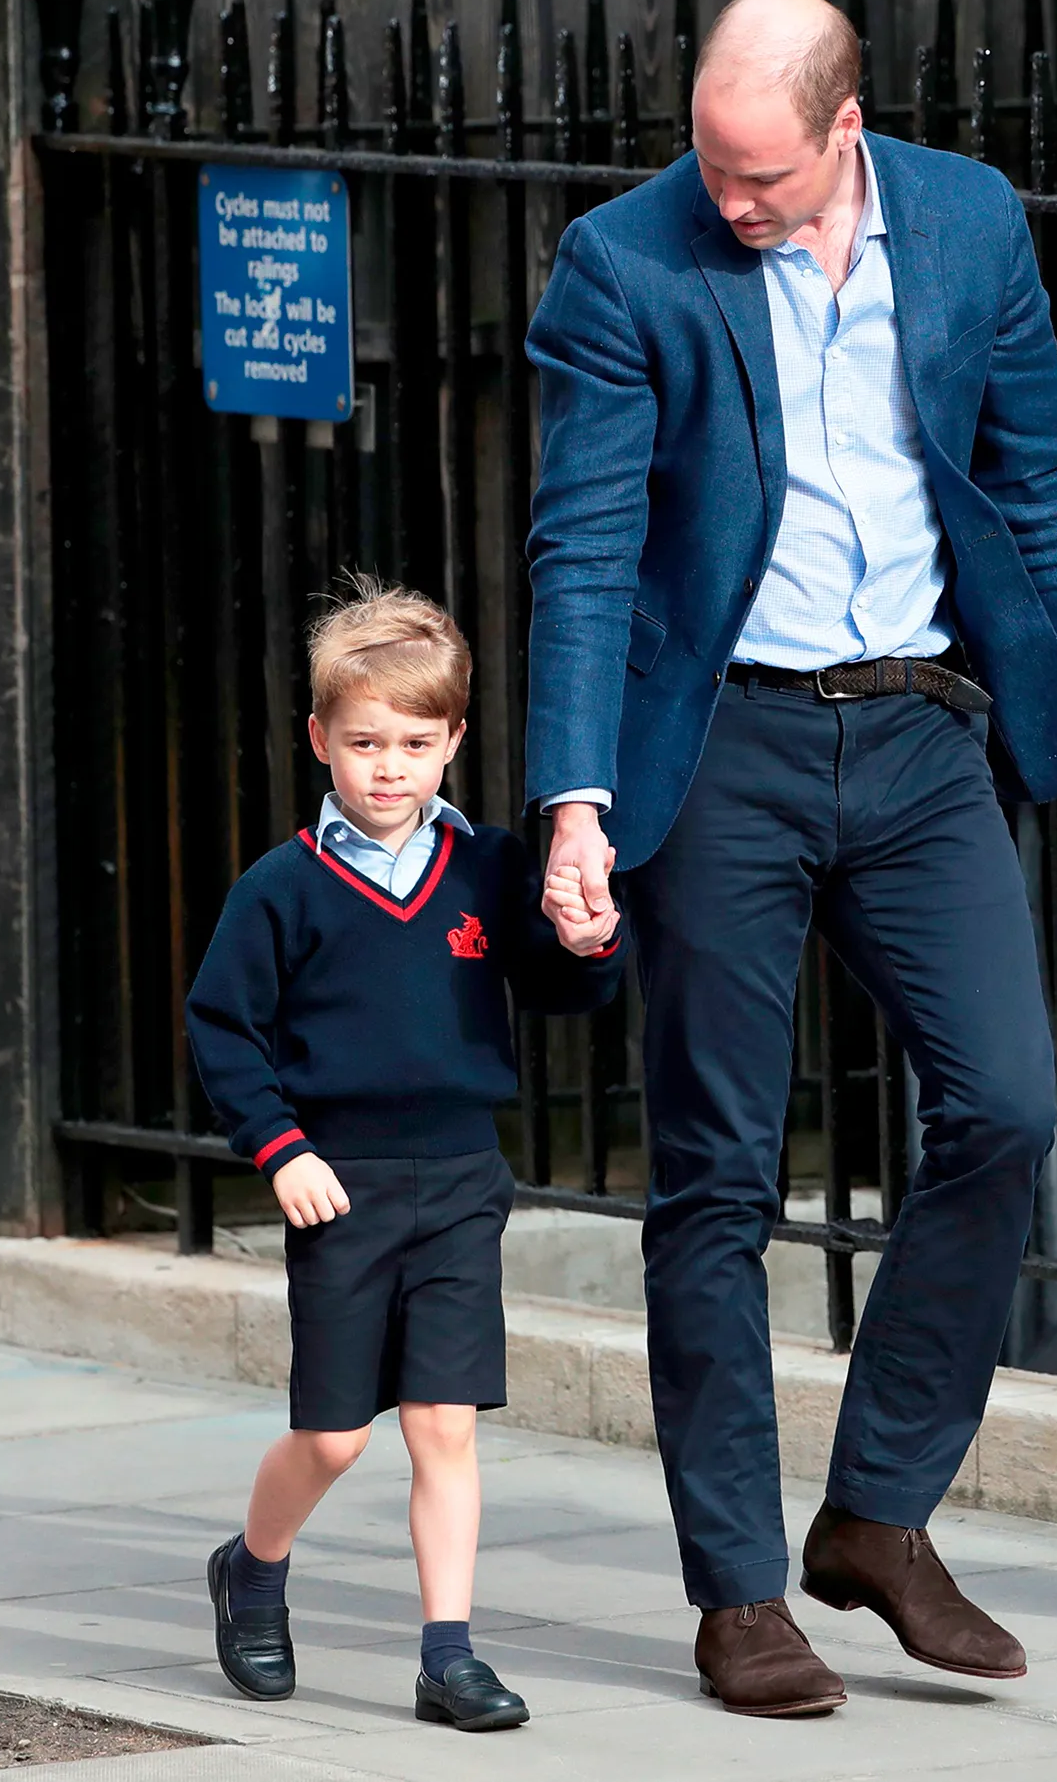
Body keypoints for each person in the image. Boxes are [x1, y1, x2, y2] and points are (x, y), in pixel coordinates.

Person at [524, 0, 1057, 1716]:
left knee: (1011, 1105)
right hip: (720, 741)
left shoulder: (966, 221)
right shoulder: (625, 263)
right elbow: (585, 547)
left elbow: (1038, 480)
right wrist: (576, 797)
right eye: (708, 164)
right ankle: (740, 1591)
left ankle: (878, 1511)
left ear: (844, 124)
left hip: (917, 729)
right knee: (720, 1179)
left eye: (757, 177)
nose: (725, 201)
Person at [183, 579, 626, 1730]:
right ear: (321, 737)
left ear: (454, 742)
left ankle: (447, 1653)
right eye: (366, 741)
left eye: (416, 743)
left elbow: (564, 980)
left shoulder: (487, 865)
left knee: (444, 1424)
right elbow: (221, 1028)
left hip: (460, 1180)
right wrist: (277, 1149)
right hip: (337, 1186)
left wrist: (590, 940)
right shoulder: (279, 889)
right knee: (333, 1431)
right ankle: (254, 1566)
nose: (390, 766)